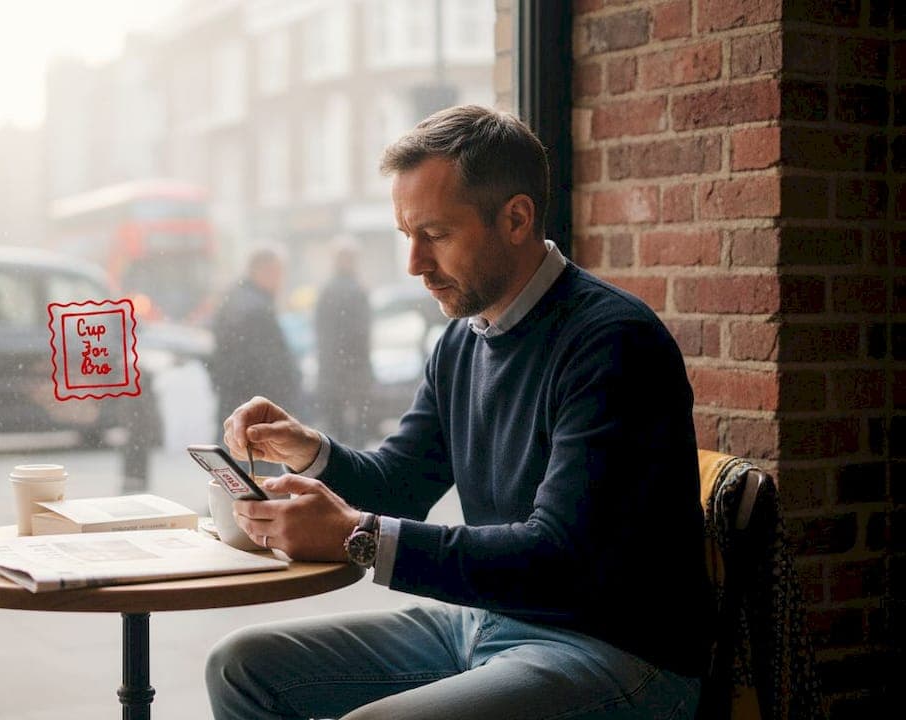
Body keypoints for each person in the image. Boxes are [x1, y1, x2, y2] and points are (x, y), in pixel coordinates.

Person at [205, 106, 712, 719]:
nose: (414, 264)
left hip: (614, 648)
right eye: (407, 236)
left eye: (436, 235)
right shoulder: (463, 340)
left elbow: (560, 558)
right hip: (487, 624)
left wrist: (358, 537)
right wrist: (311, 451)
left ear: (516, 218)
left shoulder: (612, 342)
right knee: (239, 666)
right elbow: (402, 483)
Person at [208, 246, 301, 474]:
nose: (281, 280)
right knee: (260, 473)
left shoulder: (233, 300)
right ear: (263, 271)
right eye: (278, 273)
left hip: (234, 397)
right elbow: (269, 364)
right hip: (255, 405)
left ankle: (228, 501)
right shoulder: (256, 309)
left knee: (233, 463)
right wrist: (282, 399)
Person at [314, 238, 373, 447]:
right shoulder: (353, 289)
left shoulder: (328, 290)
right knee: (355, 430)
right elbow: (359, 335)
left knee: (338, 430)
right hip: (349, 370)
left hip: (336, 370)